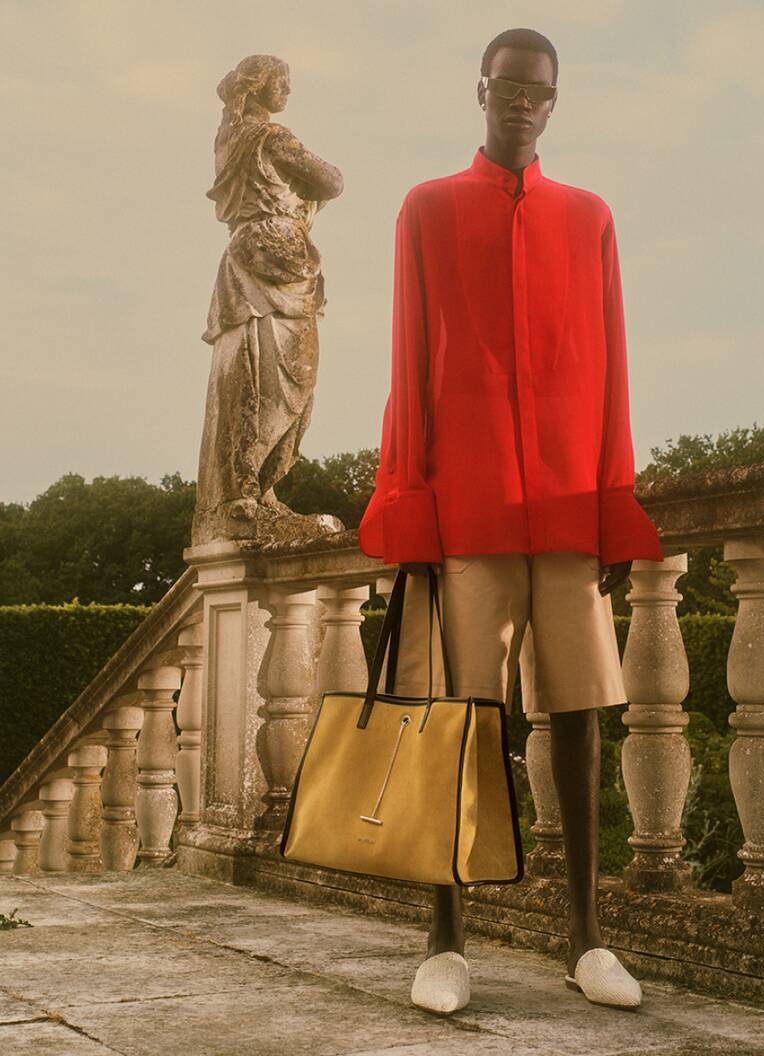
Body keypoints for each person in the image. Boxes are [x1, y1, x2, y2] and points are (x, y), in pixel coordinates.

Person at [357, 27, 663, 1014]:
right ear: (478, 90)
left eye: (537, 92)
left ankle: (585, 939)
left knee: (575, 715)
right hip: (467, 513)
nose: (520, 104)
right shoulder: (427, 209)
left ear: (554, 102)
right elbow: (409, 359)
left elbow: (613, 366)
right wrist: (407, 504)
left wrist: (613, 501)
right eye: (506, 88)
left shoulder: (590, 218)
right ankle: (445, 940)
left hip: (570, 506)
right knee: (459, 723)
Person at [194, 55, 344, 545]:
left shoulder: (229, 138)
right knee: (273, 377)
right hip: (276, 254)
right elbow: (331, 180)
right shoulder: (272, 137)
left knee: (258, 374)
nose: (288, 92)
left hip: (251, 254)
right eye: (284, 82)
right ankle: (250, 494)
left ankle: (254, 491)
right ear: (261, 88)